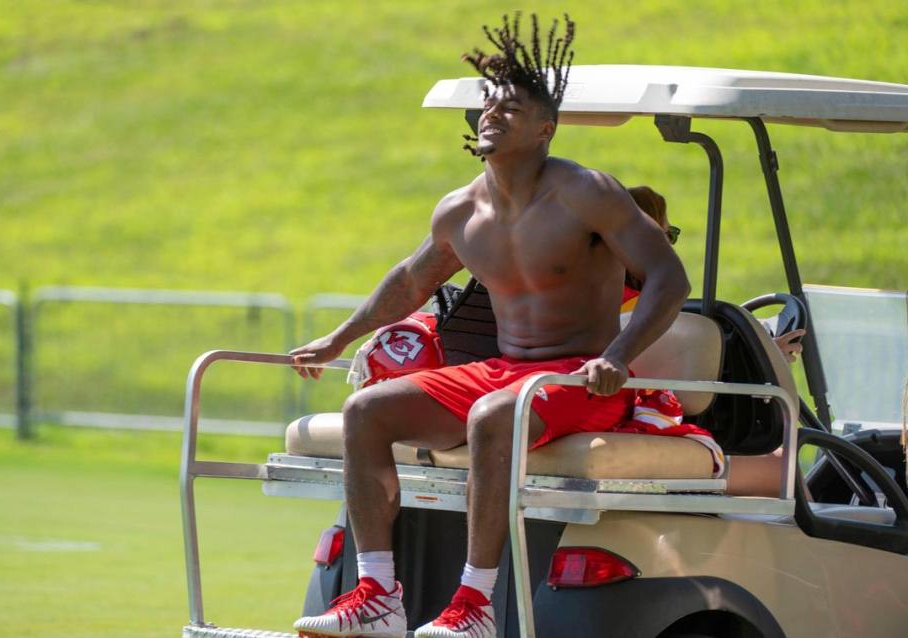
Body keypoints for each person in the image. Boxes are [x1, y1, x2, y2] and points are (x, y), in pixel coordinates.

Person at [289, 13, 689, 638]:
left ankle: (474, 605)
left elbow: (669, 278)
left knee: (493, 414)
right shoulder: (459, 209)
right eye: (487, 105)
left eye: (511, 108)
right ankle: (377, 596)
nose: (491, 115)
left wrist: (618, 352)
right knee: (367, 410)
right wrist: (338, 337)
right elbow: (410, 282)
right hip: (506, 374)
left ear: (545, 129)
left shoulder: (587, 192)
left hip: (581, 379)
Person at [625, 184, 804, 497]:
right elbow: (670, 372)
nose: (671, 248)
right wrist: (761, 359)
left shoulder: (594, 306)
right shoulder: (645, 312)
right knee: (784, 467)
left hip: (636, 431)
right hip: (650, 435)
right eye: (667, 236)